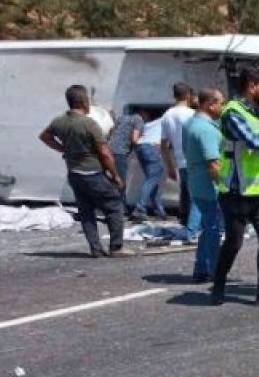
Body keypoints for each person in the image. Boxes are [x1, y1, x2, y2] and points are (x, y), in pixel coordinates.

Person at [211, 67, 259, 307]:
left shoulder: (253, 113)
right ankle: (218, 285)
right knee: (234, 242)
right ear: (251, 86)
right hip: (237, 192)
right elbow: (255, 142)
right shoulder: (233, 113)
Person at [38, 85, 132, 258]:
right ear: (82, 102)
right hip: (93, 172)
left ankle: (95, 248)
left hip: (74, 174)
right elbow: (105, 153)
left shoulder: (59, 122)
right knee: (114, 206)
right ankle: (116, 247)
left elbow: (44, 136)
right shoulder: (89, 124)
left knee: (86, 211)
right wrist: (116, 175)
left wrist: (63, 149)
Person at [183, 89, 226, 283]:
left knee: (207, 227)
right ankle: (215, 270)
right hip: (210, 186)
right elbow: (213, 165)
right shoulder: (206, 129)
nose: (223, 108)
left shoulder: (190, 124)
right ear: (210, 105)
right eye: (221, 103)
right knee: (213, 228)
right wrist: (224, 187)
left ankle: (201, 268)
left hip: (196, 181)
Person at [160, 83, 198, 233]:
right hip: (195, 160)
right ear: (188, 95)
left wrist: (169, 166)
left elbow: (163, 144)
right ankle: (192, 230)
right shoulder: (192, 114)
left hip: (180, 161)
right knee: (197, 197)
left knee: (186, 194)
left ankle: (185, 222)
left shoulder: (167, 115)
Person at [132, 109, 170, 221]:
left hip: (140, 147)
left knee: (152, 180)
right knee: (152, 178)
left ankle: (160, 211)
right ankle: (139, 209)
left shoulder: (150, 124)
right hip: (151, 148)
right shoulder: (168, 119)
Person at [108, 108, 144, 212]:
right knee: (120, 181)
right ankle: (121, 209)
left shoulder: (121, 118)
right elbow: (134, 139)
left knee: (112, 180)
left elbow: (112, 132)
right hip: (119, 152)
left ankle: (110, 206)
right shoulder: (139, 119)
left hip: (109, 149)